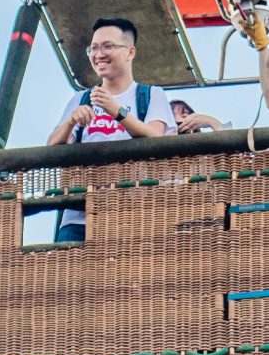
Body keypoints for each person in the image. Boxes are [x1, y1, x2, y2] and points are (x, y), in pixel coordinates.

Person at [45, 18, 175, 241]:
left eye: (108, 46)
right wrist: (70, 123)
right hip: (79, 216)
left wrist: (116, 111)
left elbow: (155, 136)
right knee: (72, 276)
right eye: (93, 48)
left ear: (130, 52)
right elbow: (51, 147)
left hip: (134, 213)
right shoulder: (81, 98)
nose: (99, 54)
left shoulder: (151, 94)